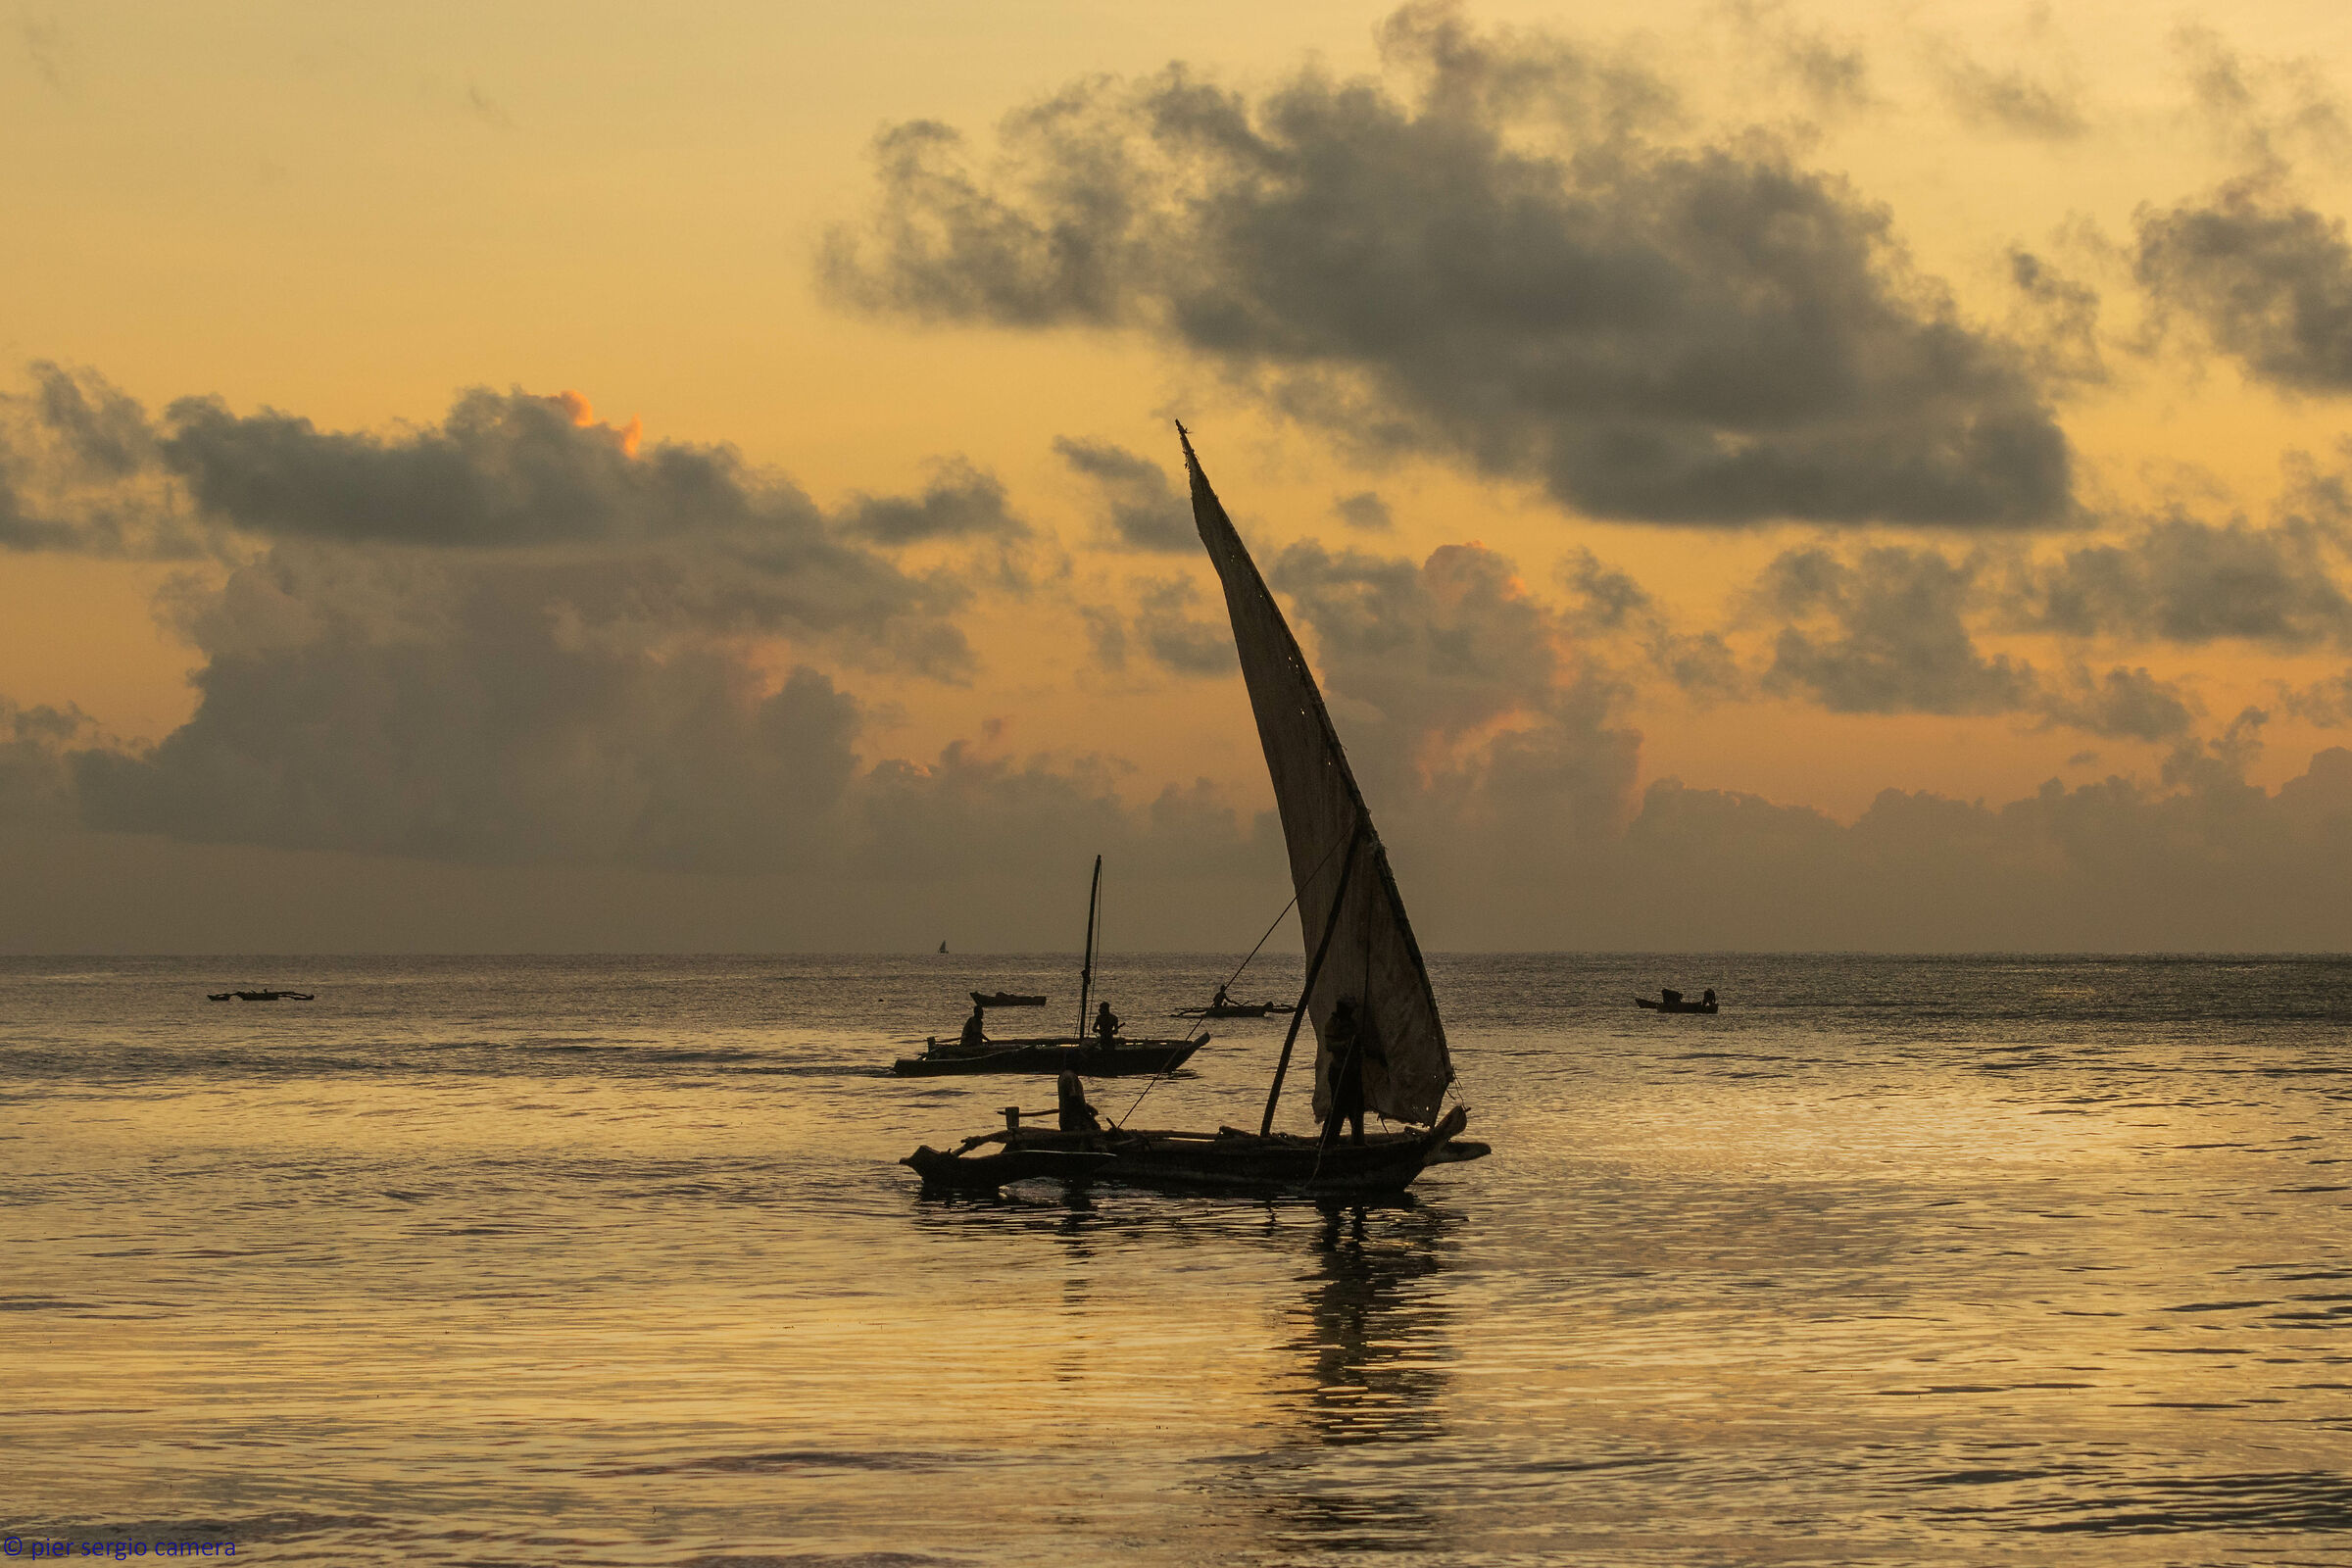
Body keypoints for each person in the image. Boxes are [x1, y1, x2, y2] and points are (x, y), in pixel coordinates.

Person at [1323, 997, 1366, 1147]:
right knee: (1338, 1108)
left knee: (1357, 1108)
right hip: (1339, 1070)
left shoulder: (1352, 1024)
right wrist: (1346, 1044)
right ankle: (1328, 1142)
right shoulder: (1333, 1024)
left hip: (1353, 1071)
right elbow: (1329, 1045)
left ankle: (1358, 1141)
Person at [1056, 1069, 1101, 1133]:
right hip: (1073, 1123)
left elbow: (1073, 1100)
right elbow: (1074, 1100)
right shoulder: (1071, 1077)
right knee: (1096, 1128)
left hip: (1066, 1121)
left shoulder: (1064, 1075)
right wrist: (1089, 1119)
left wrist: (1088, 1107)